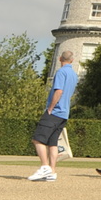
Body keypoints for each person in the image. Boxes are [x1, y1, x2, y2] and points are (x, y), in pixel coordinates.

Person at [27, 49, 77, 182]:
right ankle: (52, 171)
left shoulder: (61, 72)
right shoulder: (73, 74)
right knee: (52, 142)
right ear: (71, 60)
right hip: (64, 113)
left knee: (38, 139)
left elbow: (58, 91)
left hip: (55, 111)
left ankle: (44, 167)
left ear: (60, 59)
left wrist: (50, 107)